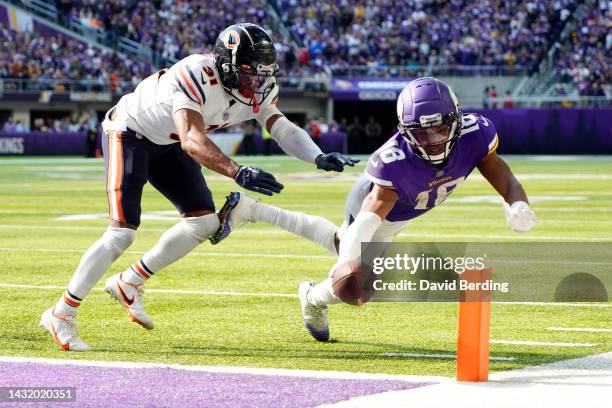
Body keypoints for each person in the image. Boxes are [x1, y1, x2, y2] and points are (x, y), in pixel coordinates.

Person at [40, 23, 358, 352]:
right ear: (225, 64)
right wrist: (238, 172)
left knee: (205, 222)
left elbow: (280, 127)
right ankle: (61, 313)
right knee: (122, 232)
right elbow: (193, 140)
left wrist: (317, 156)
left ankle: (130, 281)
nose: (256, 82)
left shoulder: (260, 87)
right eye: (248, 73)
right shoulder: (195, 73)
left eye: (262, 73)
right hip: (130, 131)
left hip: (169, 141)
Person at [213, 77, 538, 341]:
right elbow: (369, 218)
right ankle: (312, 295)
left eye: (440, 128)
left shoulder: (476, 133)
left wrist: (517, 201)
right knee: (355, 286)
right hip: (382, 209)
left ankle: (255, 212)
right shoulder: (393, 161)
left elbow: (497, 169)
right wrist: (347, 263)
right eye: (422, 133)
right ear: (405, 131)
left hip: (406, 209)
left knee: (344, 249)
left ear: (458, 118)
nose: (434, 140)